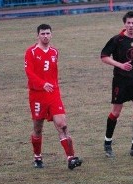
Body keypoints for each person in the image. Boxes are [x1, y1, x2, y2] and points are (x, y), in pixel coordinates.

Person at [24, 23, 82, 170]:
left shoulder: (54, 52)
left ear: (51, 34)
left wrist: (54, 86)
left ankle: (71, 158)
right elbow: (30, 73)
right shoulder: (30, 52)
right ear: (37, 35)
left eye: (48, 33)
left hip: (53, 94)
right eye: (42, 34)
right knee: (38, 128)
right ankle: (37, 157)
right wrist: (42, 84)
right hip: (37, 95)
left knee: (62, 124)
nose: (45, 36)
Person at [100, 11, 133, 159]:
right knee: (116, 112)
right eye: (128, 23)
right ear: (124, 24)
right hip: (120, 80)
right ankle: (107, 142)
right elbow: (104, 56)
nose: (130, 25)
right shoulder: (117, 40)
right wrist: (120, 65)